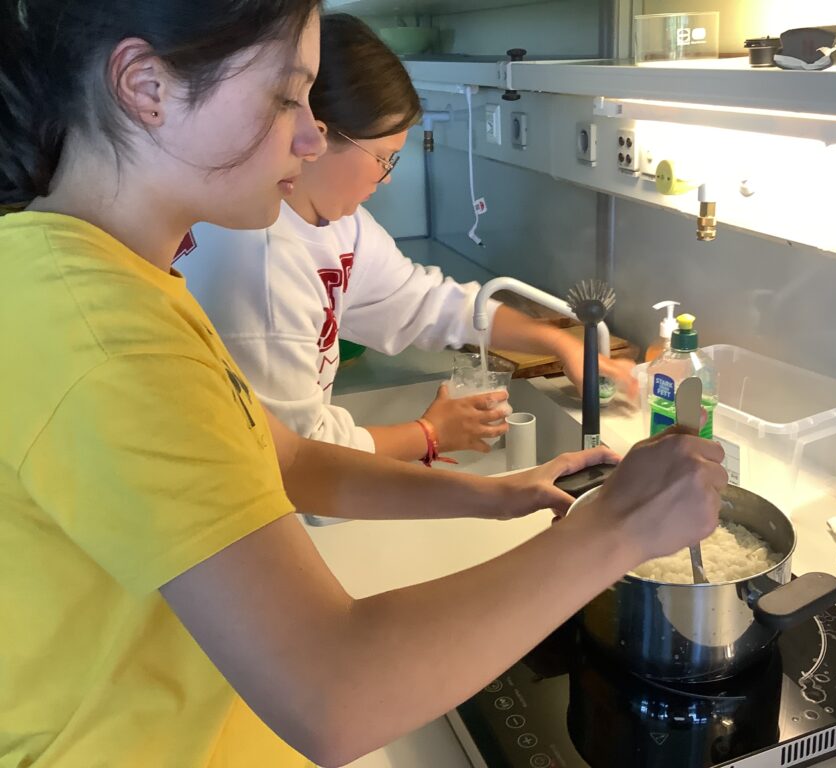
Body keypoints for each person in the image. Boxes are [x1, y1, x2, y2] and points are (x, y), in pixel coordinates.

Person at [0, 3, 727, 768]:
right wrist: (618, 528)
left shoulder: (110, 278)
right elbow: (333, 695)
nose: (311, 137)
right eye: (286, 96)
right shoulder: (108, 335)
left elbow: (286, 460)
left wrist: (495, 495)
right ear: (146, 86)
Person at [176, 13, 637, 463]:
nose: (388, 177)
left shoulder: (340, 225)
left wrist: (560, 344)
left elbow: (429, 304)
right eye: (384, 157)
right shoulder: (257, 261)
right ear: (316, 137)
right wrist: (429, 435)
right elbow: (296, 459)